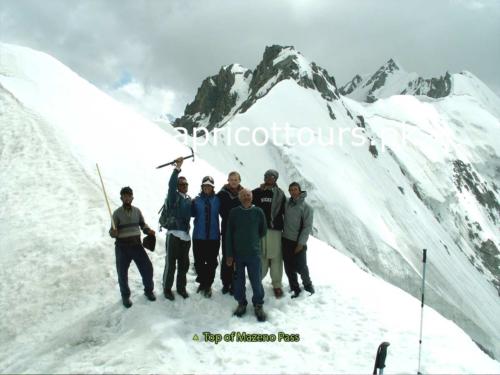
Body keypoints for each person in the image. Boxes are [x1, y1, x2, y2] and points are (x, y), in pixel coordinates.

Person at [109, 186, 156, 308]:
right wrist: (113, 233)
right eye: (124, 196)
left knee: (147, 268)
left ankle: (148, 291)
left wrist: (148, 230)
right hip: (122, 248)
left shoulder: (137, 211)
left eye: (129, 195)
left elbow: (142, 224)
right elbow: (112, 231)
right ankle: (125, 296)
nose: (127, 198)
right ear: (121, 198)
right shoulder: (117, 213)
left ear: (132, 197)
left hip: (136, 246)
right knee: (122, 273)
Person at [226, 189, 268, 322]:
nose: (246, 197)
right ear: (239, 197)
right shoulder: (234, 213)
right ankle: (241, 303)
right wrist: (229, 254)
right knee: (239, 282)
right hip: (238, 255)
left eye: (248, 195)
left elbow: (263, 230)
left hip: (254, 254)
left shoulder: (258, 212)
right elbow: (229, 234)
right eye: (243, 195)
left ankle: (258, 304)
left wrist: (253, 240)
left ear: (252, 197)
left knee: (256, 281)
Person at [252, 169, 286, 298]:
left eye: (272, 176)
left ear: (276, 179)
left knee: (276, 257)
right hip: (260, 230)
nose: (269, 178)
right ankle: (257, 280)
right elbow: (245, 198)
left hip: (275, 230)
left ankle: (277, 284)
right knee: (261, 256)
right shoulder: (257, 192)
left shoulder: (280, 195)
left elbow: (285, 212)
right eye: (266, 176)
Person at [161, 157, 192, 300]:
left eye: (185, 184)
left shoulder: (188, 199)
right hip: (173, 235)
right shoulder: (173, 196)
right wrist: (177, 169)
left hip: (186, 237)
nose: (183, 186)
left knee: (184, 264)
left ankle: (181, 288)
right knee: (171, 264)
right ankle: (167, 288)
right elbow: (171, 185)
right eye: (181, 184)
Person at [282, 182, 315, 298]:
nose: (293, 191)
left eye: (295, 189)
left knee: (301, 266)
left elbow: (307, 227)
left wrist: (301, 243)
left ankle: (308, 285)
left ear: (300, 191)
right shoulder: (287, 203)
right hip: (285, 240)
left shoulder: (307, 208)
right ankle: (294, 287)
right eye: (291, 190)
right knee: (288, 266)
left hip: (298, 242)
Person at [191, 176, 221, 297]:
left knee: (211, 262)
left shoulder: (218, 200)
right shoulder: (196, 201)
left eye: (209, 186)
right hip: (199, 236)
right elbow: (190, 213)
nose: (207, 188)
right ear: (202, 187)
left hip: (213, 237)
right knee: (199, 262)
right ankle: (202, 281)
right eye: (205, 186)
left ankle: (207, 284)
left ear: (213, 187)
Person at [216, 171, 243, 295]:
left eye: (236, 179)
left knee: (237, 257)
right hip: (226, 228)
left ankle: (235, 283)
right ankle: (226, 283)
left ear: (239, 180)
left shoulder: (243, 194)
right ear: (228, 180)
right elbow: (213, 203)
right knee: (227, 256)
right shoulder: (222, 194)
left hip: (239, 230)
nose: (234, 181)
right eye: (231, 179)